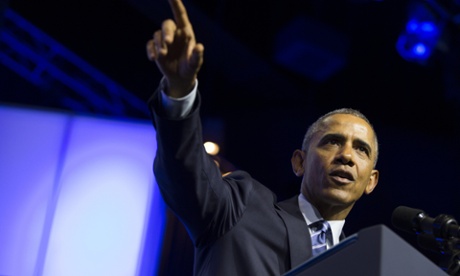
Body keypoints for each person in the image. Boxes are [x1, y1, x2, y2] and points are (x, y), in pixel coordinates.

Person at [146, 0, 380, 275]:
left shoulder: (359, 267)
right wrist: (179, 93)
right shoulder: (241, 208)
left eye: (361, 149)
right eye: (332, 141)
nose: (347, 156)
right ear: (299, 163)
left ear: (371, 181)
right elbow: (185, 173)